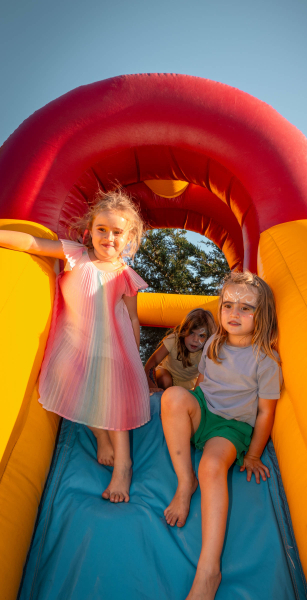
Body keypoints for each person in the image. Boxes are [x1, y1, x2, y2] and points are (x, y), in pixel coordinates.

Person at [0, 188, 150, 504]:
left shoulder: (125, 275)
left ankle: (123, 467)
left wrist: (134, 359)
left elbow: (133, 319)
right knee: (74, 385)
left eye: (118, 232)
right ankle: (99, 435)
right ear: (89, 231)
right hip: (73, 342)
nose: (109, 237)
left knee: (112, 398)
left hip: (111, 347)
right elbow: (32, 243)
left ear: (129, 239)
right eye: (102, 229)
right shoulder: (75, 255)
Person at [161, 271, 282, 600]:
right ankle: (185, 482)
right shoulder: (214, 341)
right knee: (171, 397)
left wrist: (254, 454)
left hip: (231, 426)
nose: (234, 313)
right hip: (205, 410)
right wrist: (190, 409)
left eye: (246, 308)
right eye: (228, 305)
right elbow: (200, 382)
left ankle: (208, 570)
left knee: (212, 467)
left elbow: (266, 413)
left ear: (263, 315)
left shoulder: (266, 361)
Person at [144, 309, 216, 392]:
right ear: (184, 331)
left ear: (208, 338)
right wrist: (153, 387)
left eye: (201, 336)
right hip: (165, 375)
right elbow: (151, 363)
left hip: (187, 384)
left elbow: (205, 376)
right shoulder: (174, 340)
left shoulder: (207, 351)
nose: (195, 340)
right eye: (192, 333)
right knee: (165, 379)